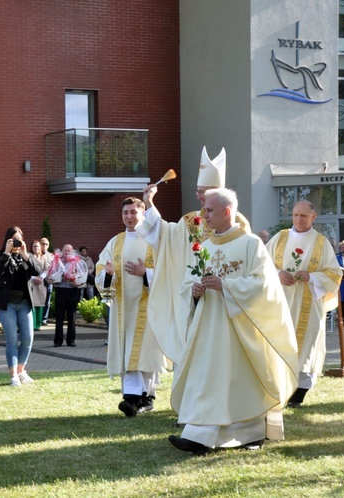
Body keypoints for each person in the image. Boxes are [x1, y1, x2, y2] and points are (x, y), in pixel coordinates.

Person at [168, 188, 298, 456]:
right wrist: (193, 290)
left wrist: (225, 285)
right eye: (205, 210)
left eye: (210, 210)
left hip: (241, 325)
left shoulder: (251, 244)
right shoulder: (202, 247)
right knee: (207, 376)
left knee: (242, 381)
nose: (204, 215)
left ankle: (251, 433)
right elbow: (186, 281)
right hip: (209, 325)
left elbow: (264, 285)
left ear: (227, 212)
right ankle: (197, 435)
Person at [137, 146, 251, 365]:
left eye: (205, 193)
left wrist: (225, 285)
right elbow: (163, 236)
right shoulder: (190, 221)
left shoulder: (238, 223)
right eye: (198, 192)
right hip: (193, 295)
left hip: (223, 297)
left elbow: (243, 261)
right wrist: (150, 203)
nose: (200, 198)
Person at [266, 200, 342, 408]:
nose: (298, 219)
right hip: (279, 301)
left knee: (306, 345)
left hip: (308, 303)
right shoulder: (280, 237)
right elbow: (260, 265)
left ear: (313, 217)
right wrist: (277, 274)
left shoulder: (321, 242)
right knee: (278, 343)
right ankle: (278, 388)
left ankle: (299, 394)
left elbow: (335, 274)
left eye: (303, 216)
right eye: (295, 215)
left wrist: (312, 277)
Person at [95, 197, 166, 417]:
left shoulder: (154, 240)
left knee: (146, 354)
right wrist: (106, 275)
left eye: (133, 212)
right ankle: (133, 398)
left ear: (143, 214)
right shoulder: (115, 242)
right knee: (128, 353)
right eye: (125, 212)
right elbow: (100, 268)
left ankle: (145, 396)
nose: (129, 216)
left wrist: (145, 273)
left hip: (148, 307)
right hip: (123, 310)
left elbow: (168, 270)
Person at [0, 227, 39, 386]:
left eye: (19, 239)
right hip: (7, 304)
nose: (17, 243)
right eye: (14, 240)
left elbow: (38, 270)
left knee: (28, 339)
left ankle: (21, 372)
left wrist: (25, 254)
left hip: (24, 303)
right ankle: (13, 376)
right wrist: (6, 252)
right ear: (8, 240)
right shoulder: (0, 255)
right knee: (12, 339)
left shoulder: (27, 256)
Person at [49, 244, 87, 347]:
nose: (67, 252)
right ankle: (58, 340)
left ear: (72, 251)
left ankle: (71, 340)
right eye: (65, 250)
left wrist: (78, 282)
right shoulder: (57, 261)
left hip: (72, 290)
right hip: (60, 290)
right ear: (62, 251)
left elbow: (82, 276)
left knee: (72, 316)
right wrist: (52, 279)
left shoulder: (77, 262)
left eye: (69, 251)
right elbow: (51, 274)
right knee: (59, 316)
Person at [29, 240, 49, 330]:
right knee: (33, 303)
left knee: (40, 303)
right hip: (32, 282)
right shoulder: (29, 256)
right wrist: (34, 278)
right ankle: (32, 325)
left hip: (41, 283)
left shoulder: (44, 257)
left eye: (37, 246)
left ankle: (38, 324)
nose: (36, 248)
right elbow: (26, 270)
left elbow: (46, 268)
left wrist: (41, 277)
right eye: (34, 246)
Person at [39, 238, 54, 325]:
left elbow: (53, 268)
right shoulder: (37, 254)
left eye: (46, 244)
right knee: (39, 301)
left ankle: (44, 319)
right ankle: (38, 318)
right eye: (43, 244)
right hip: (39, 281)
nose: (44, 246)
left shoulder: (51, 256)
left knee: (47, 301)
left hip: (48, 281)